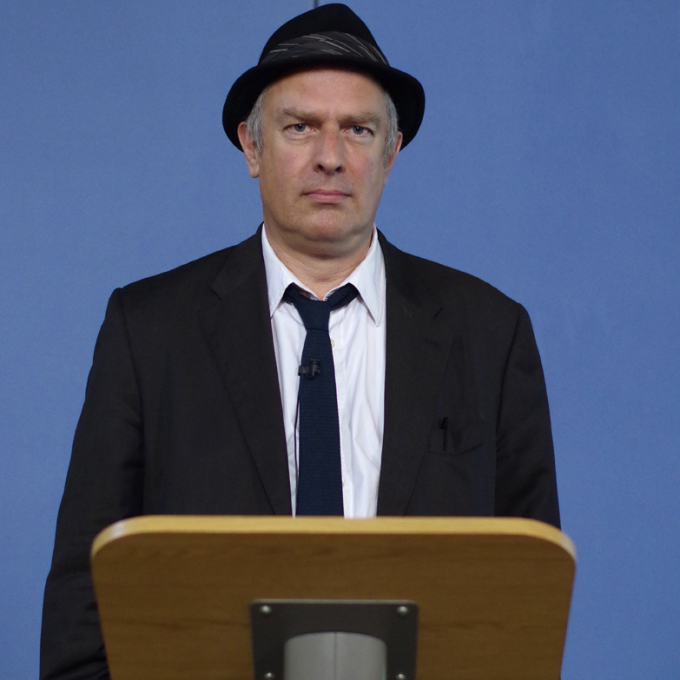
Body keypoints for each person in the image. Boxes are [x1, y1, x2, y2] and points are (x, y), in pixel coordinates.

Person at [40, 4, 559, 678]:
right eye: (300, 127)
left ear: (391, 152)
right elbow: (84, 600)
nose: (330, 157)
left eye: (358, 129)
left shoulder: (491, 334)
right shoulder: (148, 331)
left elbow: (528, 600)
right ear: (252, 148)